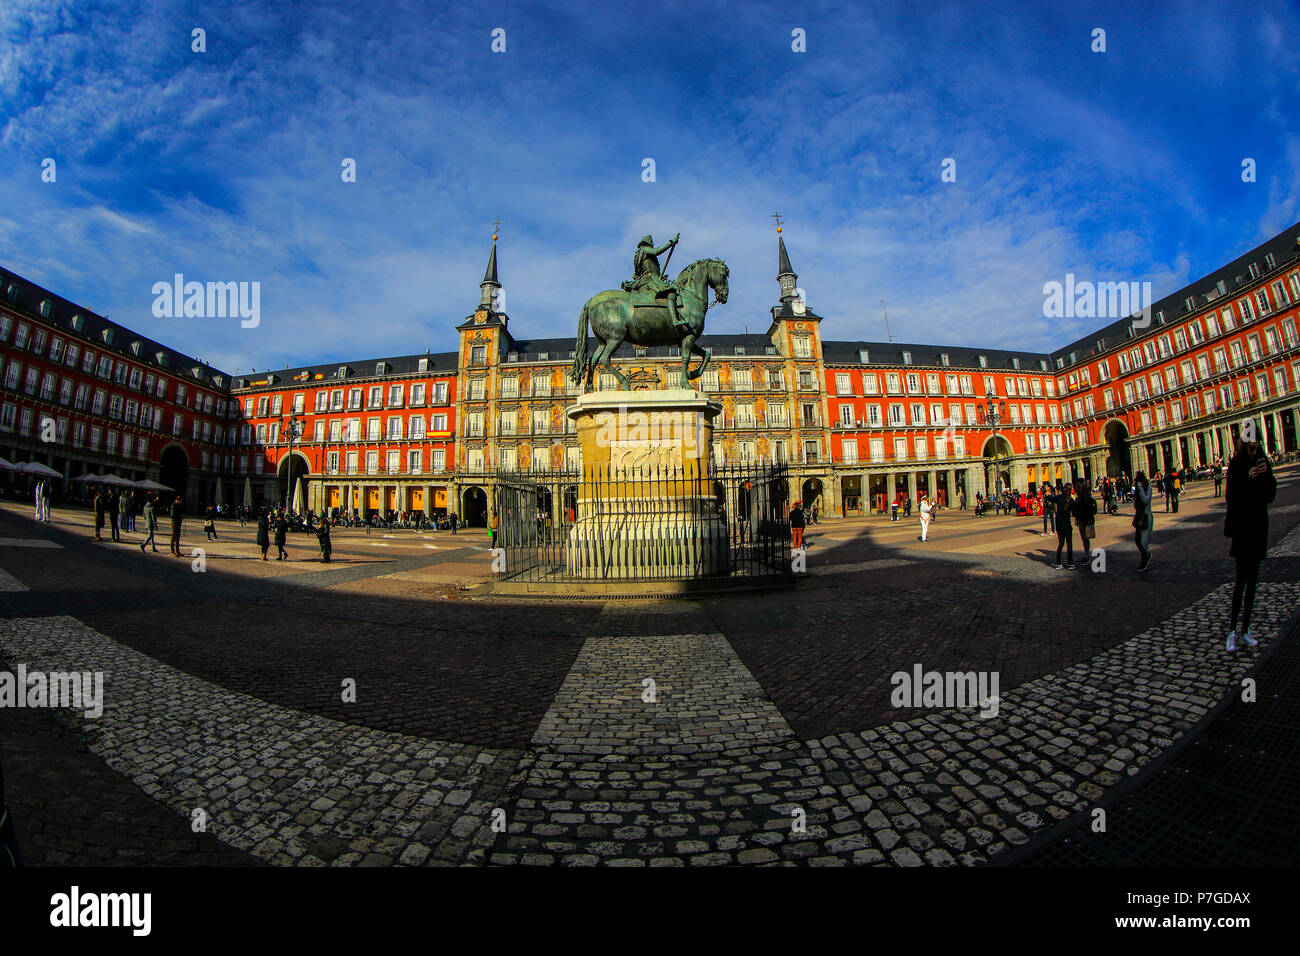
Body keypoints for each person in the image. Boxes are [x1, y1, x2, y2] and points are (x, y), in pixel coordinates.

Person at [1224, 437, 1276, 651]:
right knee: (1240, 583)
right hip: (1242, 531)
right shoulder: (1236, 465)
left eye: (1256, 446)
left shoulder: (1264, 462)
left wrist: (1266, 477)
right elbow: (1231, 498)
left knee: (1252, 584)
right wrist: (1247, 478)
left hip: (1258, 531)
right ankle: (1232, 632)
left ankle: (1245, 630)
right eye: (1250, 447)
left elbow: (1270, 496)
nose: (1254, 451)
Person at [1132, 471, 1153, 571]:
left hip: (1146, 516)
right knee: (1137, 540)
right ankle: (1146, 556)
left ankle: (1145, 558)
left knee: (1142, 541)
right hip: (1139, 515)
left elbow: (1146, 500)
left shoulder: (1148, 487)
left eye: (1136, 480)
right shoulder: (1137, 489)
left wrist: (1140, 489)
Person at [1073, 482, 1098, 565]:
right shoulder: (1082, 495)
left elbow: (1086, 508)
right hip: (1083, 520)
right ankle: (1087, 555)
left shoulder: (1084, 495)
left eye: (1076, 486)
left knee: (1085, 538)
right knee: (1084, 538)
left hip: (1085, 520)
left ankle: (1087, 557)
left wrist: (1088, 519)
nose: (1075, 488)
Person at [1052, 483, 1075, 569]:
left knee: (1061, 543)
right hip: (1067, 525)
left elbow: (1051, 499)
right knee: (1069, 545)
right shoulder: (1071, 500)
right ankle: (1071, 563)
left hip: (1059, 524)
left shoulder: (1059, 497)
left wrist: (1048, 495)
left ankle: (1058, 563)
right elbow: (1075, 510)